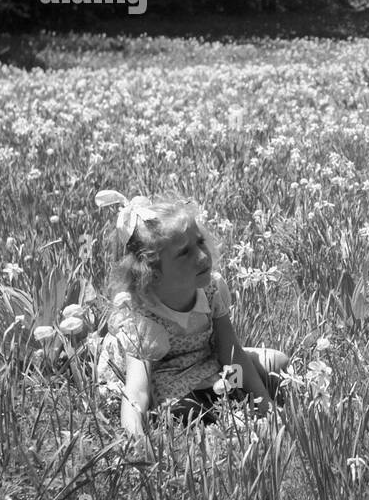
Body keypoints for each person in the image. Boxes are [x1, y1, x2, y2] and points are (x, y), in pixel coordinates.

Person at [92, 189, 288, 452]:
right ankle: (223, 409)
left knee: (278, 362)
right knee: (186, 411)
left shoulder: (211, 290)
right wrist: (137, 442)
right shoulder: (143, 320)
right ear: (151, 271)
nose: (202, 256)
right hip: (165, 377)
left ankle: (234, 400)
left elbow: (231, 352)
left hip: (207, 362)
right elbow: (137, 391)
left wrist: (265, 406)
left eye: (199, 242)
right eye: (184, 253)